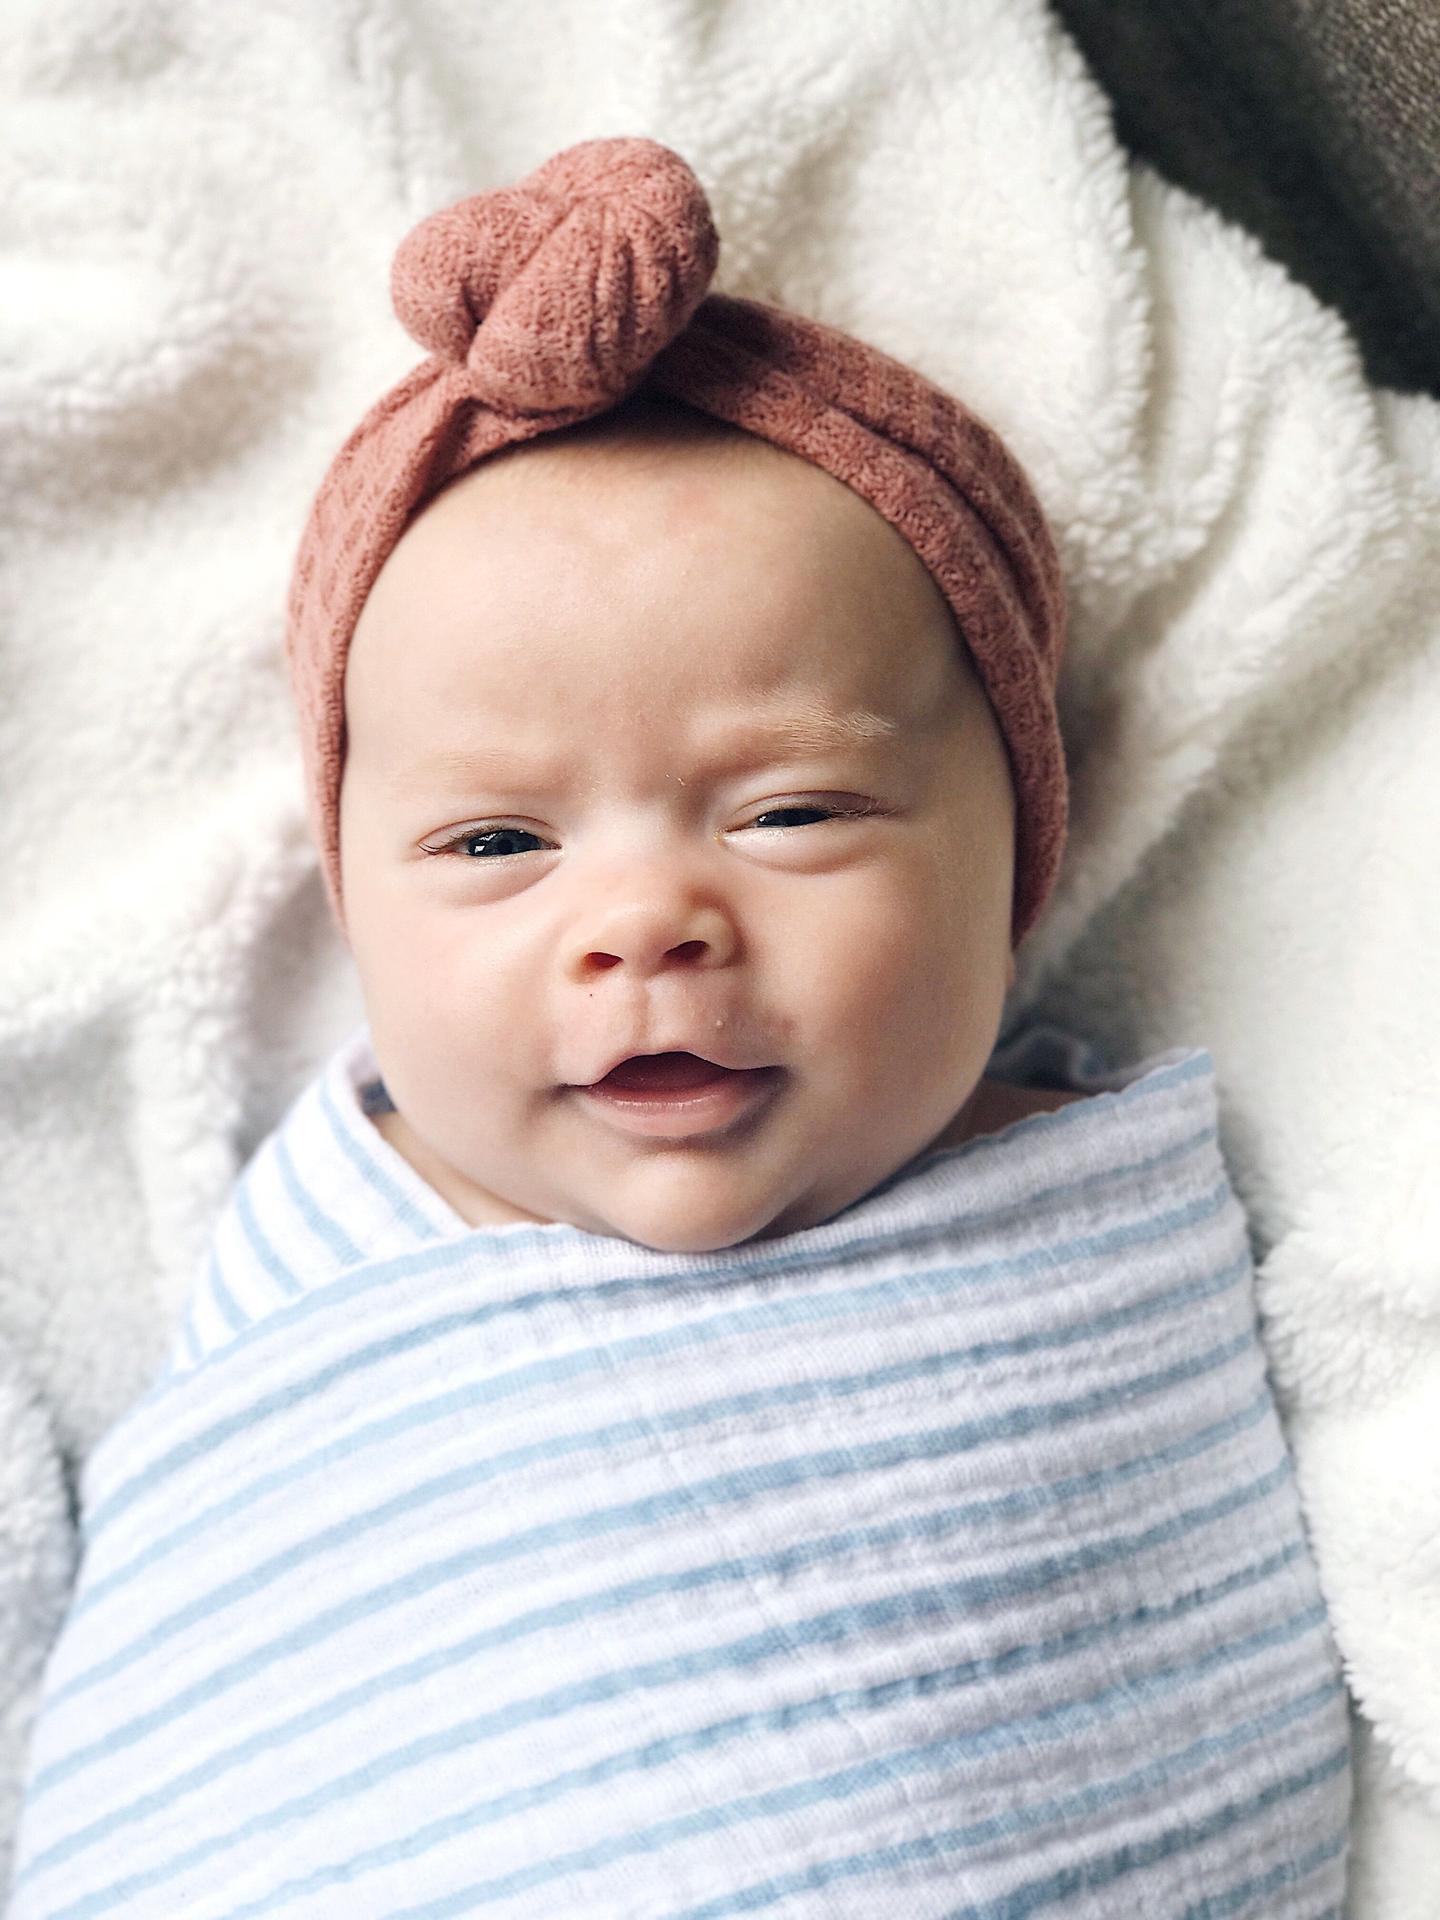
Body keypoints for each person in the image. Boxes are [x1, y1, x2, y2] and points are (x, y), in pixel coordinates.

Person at [6, 138, 1352, 1917]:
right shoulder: (321, 1255)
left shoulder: (1101, 1224)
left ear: (1024, 842)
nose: (643, 920)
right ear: (352, 904)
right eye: (497, 845)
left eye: (790, 812)